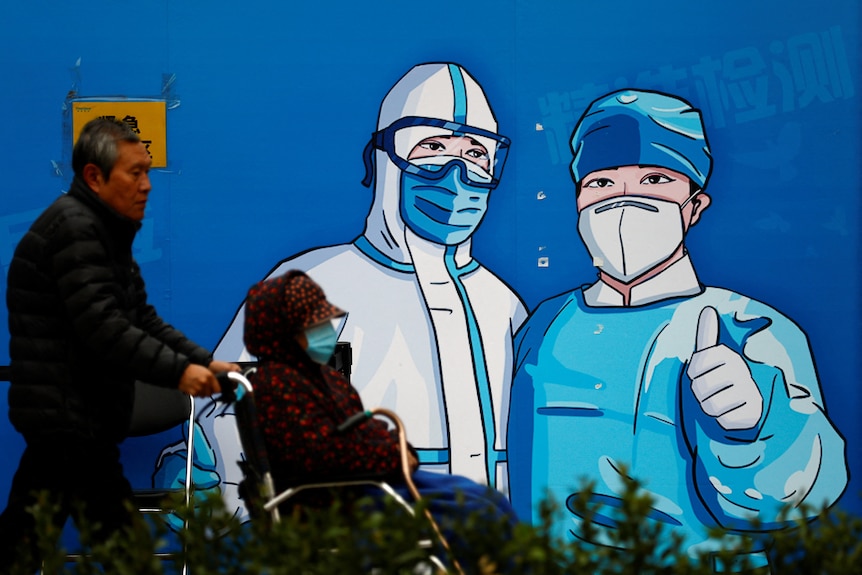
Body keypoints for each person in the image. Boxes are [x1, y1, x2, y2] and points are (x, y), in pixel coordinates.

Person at [507, 89, 847, 569]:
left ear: (694, 206)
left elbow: (798, 492)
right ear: (578, 199)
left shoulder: (748, 328)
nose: (624, 199)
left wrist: (752, 427)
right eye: (601, 183)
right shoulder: (543, 325)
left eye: (655, 179)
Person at [194, 63, 526, 519]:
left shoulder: (501, 303)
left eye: (475, 154)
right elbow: (234, 417)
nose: (456, 175)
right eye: (431, 148)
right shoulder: (319, 287)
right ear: (383, 161)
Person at [0, 118, 239, 571]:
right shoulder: (75, 230)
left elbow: (142, 319)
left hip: (74, 418)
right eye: (135, 173)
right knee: (119, 546)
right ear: (94, 176)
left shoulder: (103, 231)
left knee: (25, 537)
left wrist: (206, 361)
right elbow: (104, 328)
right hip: (70, 418)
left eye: (147, 171)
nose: (147, 185)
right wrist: (180, 373)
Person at [242, 270, 520, 571]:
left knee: (488, 500)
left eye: (325, 322)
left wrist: (400, 450)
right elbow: (320, 457)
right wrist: (391, 456)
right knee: (473, 517)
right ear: (284, 334)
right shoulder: (276, 388)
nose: (326, 331)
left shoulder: (325, 377)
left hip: (371, 480)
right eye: (315, 325)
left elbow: (362, 427)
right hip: (338, 498)